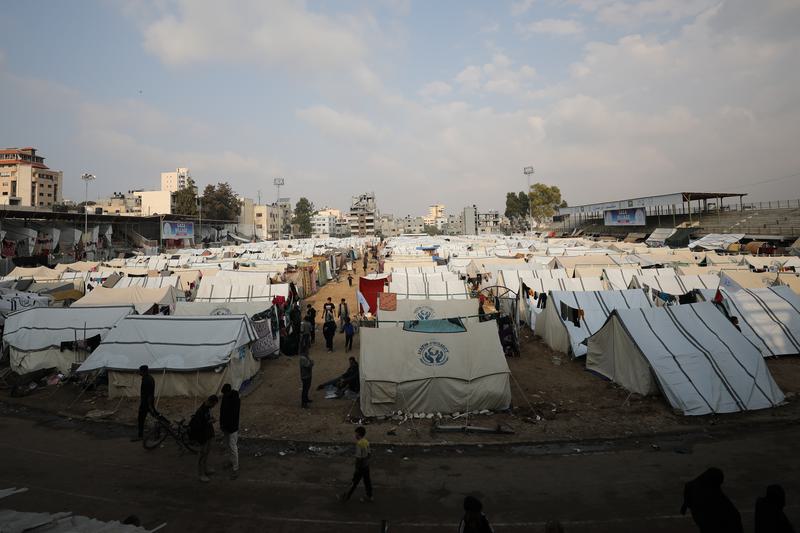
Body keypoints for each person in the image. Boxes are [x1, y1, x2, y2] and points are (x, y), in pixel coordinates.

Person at [680, 467, 743, 533]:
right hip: (708, 520)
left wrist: (684, 507)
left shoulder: (692, 486)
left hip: (700, 516)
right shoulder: (715, 495)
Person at [340, 426, 372, 503]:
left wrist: (357, 467)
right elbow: (369, 454)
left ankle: (346, 497)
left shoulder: (359, 444)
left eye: (356, 434)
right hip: (366, 466)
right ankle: (370, 496)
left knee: (354, 482)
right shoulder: (366, 442)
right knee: (367, 482)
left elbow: (358, 458)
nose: (355, 435)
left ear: (358, 434)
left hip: (360, 467)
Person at [190, 395, 218, 483]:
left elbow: (207, 419)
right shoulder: (201, 411)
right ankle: (201, 474)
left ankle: (205, 469)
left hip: (208, 434)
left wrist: (211, 420)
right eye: (214, 404)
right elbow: (199, 425)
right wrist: (209, 421)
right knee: (202, 454)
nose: (214, 406)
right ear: (211, 402)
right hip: (203, 436)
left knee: (206, 453)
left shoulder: (207, 409)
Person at [220, 384, 240, 480]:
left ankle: (235, 468)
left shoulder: (234, 401)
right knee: (228, 445)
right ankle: (231, 461)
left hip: (232, 427)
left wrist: (225, 425)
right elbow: (222, 412)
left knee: (233, 447)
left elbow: (231, 415)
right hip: (226, 427)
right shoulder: (226, 398)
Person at [132, 365, 156, 442]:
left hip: (146, 402)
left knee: (141, 418)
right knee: (155, 415)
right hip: (147, 401)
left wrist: (148, 404)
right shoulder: (148, 378)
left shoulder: (147, 380)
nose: (139, 373)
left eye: (140, 371)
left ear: (144, 371)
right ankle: (163, 427)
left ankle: (140, 435)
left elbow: (149, 393)